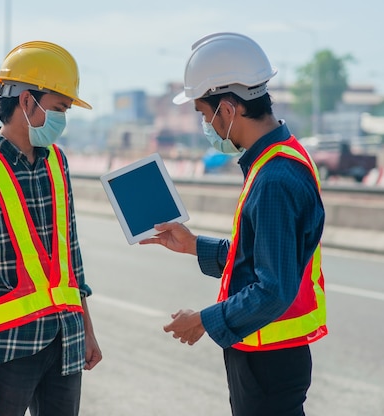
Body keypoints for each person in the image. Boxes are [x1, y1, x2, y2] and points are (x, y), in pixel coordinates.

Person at [140, 32, 327, 416]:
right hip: (269, 354)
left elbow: (272, 289)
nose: (206, 125)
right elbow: (263, 256)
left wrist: (204, 320)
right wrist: (194, 245)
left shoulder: (274, 178)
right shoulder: (278, 157)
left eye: (205, 115)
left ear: (228, 109)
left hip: (269, 362)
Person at [0, 40, 102, 416]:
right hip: (6, 351)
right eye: (59, 108)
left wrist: (86, 330)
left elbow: (71, 258)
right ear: (27, 102)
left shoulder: (56, 164)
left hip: (64, 342)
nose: (63, 119)